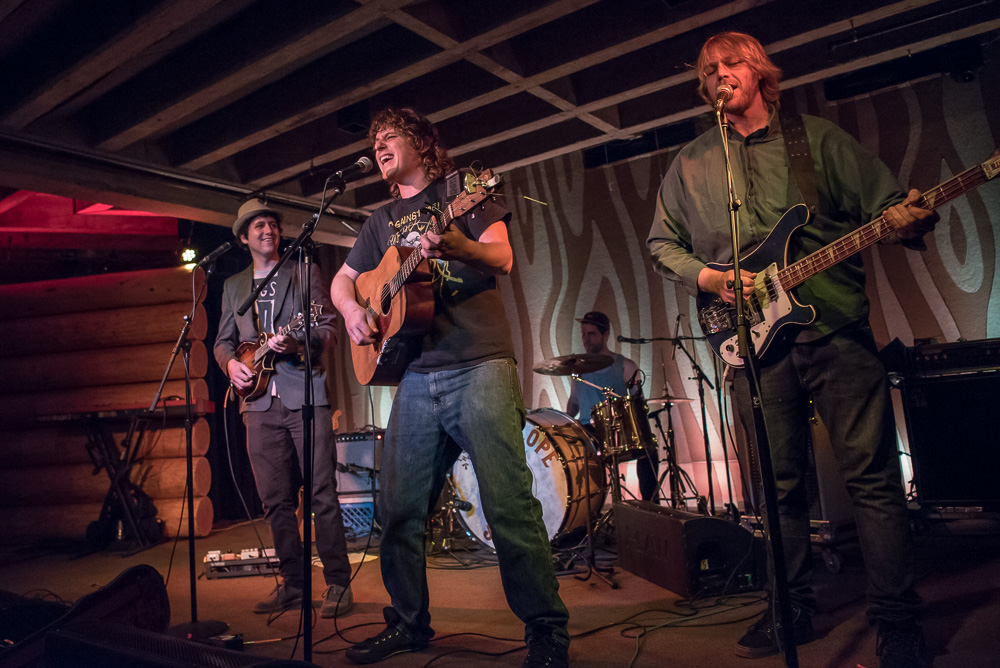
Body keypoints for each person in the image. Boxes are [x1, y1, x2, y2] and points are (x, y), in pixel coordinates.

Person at [646, 32, 936, 667]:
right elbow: (661, 243)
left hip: (834, 329)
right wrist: (711, 278)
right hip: (751, 346)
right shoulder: (691, 163)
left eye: (730, 63)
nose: (718, 74)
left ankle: (896, 619)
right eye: (708, 70)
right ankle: (790, 606)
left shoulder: (817, 141)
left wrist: (907, 217)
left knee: (873, 480)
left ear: (758, 72)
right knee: (776, 489)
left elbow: (889, 205)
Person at [331, 107, 570, 668]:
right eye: (375, 139)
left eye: (390, 135)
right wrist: (352, 312)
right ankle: (407, 623)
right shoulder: (380, 220)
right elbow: (344, 281)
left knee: (508, 505)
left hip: (478, 362)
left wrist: (461, 248)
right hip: (414, 374)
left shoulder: (462, 190)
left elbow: (502, 257)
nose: (380, 145)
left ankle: (546, 632)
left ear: (421, 142)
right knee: (398, 509)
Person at [214, 199, 354, 618]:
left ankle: (337, 582)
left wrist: (294, 344)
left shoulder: (303, 272)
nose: (267, 230)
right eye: (257, 225)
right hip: (257, 404)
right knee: (274, 499)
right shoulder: (234, 286)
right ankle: (293, 583)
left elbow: (327, 328)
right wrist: (231, 366)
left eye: (271, 224)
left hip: (304, 395)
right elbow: (222, 343)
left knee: (321, 492)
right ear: (244, 237)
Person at [565, 311, 658, 502]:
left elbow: (638, 403)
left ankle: (650, 506)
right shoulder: (577, 369)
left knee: (649, 451)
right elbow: (574, 402)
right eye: (583, 334)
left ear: (605, 335)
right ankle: (591, 509)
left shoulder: (625, 366)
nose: (586, 339)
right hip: (589, 432)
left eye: (591, 334)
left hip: (618, 429)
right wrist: (564, 424)